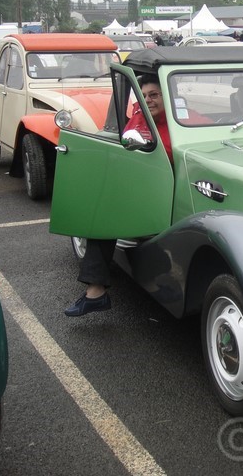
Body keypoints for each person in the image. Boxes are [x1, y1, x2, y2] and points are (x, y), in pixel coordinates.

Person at [64, 74, 171, 317]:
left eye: (154, 95)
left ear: (167, 97)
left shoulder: (177, 123)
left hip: (164, 190)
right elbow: (127, 143)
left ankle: (96, 292)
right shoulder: (139, 116)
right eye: (143, 96)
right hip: (139, 186)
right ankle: (96, 291)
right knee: (101, 208)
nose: (148, 101)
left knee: (105, 212)